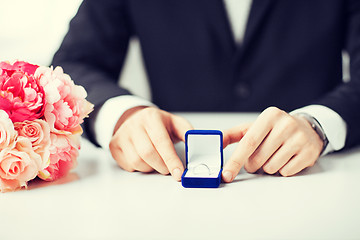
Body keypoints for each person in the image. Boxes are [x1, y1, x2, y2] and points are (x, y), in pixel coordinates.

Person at [52, 0, 360, 183]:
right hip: (166, 186)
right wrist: (121, 114)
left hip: (315, 178)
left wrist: (320, 125)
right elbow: (75, 62)